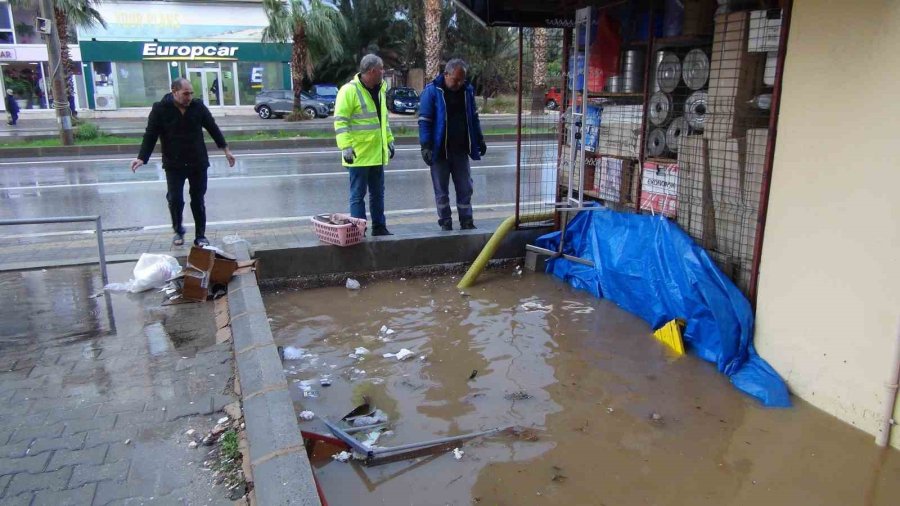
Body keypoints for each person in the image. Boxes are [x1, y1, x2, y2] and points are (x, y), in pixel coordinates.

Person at [130, 78, 235, 247]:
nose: (189, 97)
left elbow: (213, 128)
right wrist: (142, 157)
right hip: (174, 164)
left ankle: (200, 235)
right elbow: (150, 134)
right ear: (174, 92)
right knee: (175, 199)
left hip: (197, 162)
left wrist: (226, 150)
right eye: (186, 94)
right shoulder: (160, 109)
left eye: (191, 93)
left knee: (198, 199)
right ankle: (178, 230)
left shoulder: (198, 107)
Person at [418, 58, 486, 231]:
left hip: (460, 149)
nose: (459, 83)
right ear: (446, 74)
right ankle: (445, 221)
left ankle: (467, 220)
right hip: (439, 150)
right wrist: (426, 146)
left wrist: (479, 139)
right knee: (441, 191)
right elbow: (425, 121)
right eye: (456, 79)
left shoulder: (467, 91)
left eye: (462, 79)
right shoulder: (432, 92)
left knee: (465, 187)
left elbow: (474, 118)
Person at [334, 54, 395, 236]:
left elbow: (383, 120)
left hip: (376, 153)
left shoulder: (381, 89)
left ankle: (379, 227)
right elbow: (340, 121)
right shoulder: (349, 91)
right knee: (357, 196)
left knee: (378, 194)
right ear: (372, 71)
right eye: (382, 69)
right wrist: (346, 147)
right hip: (358, 154)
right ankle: (358, 231)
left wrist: (390, 141)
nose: (383, 72)